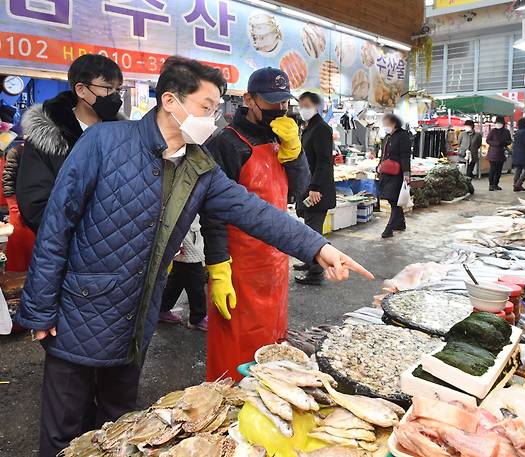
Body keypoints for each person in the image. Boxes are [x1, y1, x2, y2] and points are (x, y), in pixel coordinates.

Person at [15, 55, 372, 457]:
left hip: (137, 314)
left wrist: (318, 247)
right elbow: (56, 227)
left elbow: (254, 212)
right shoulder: (104, 143)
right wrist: (40, 309)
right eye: (206, 107)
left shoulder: (199, 167)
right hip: (79, 311)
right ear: (170, 100)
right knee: (63, 430)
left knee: (118, 427)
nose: (213, 117)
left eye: (217, 108)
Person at [204, 67, 311, 381]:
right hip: (239, 266)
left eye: (284, 103)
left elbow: (299, 189)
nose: (278, 110)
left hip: (274, 260)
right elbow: (214, 211)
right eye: (270, 102)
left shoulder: (282, 134)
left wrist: (295, 150)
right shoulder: (227, 142)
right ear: (248, 99)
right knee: (235, 353)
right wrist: (218, 268)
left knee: (271, 348)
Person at [16, 54, 124, 233]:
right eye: (107, 88)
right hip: (65, 248)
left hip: (116, 246)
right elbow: (35, 206)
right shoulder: (46, 138)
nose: (115, 96)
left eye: (118, 89)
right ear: (81, 90)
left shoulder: (123, 136)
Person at [295, 91, 336, 286]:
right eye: (301, 104)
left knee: (314, 230)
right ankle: (309, 261)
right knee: (308, 227)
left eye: (307, 105)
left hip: (316, 189)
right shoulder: (309, 127)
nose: (303, 109)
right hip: (308, 186)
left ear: (316, 106)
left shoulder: (321, 129)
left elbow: (324, 161)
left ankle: (316, 272)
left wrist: (315, 187)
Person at [159, 215, 208, 330]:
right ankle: (198, 317)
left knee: (178, 277)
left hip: (188, 234)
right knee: (195, 278)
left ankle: (162, 308)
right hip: (188, 237)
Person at [2, 142, 36, 271]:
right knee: (19, 246)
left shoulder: (46, 152)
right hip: (18, 206)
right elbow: (8, 180)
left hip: (39, 205)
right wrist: (14, 206)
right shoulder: (16, 152)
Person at [377, 113, 411, 239]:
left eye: (387, 124)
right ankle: (401, 224)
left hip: (398, 173)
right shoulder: (387, 137)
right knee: (393, 200)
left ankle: (389, 228)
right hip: (386, 172)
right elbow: (383, 154)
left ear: (395, 123)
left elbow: (405, 155)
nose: (385, 126)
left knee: (394, 200)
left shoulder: (403, 136)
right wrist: (379, 166)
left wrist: (407, 173)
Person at [485, 116, 512, 191]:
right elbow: (488, 140)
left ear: (503, 124)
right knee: (493, 170)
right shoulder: (493, 131)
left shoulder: (506, 131)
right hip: (493, 153)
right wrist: (496, 143)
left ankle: (496, 184)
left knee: (499, 170)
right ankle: (491, 185)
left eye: (500, 123)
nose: (498, 124)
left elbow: (510, 140)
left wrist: (505, 143)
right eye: (497, 123)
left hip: (501, 153)